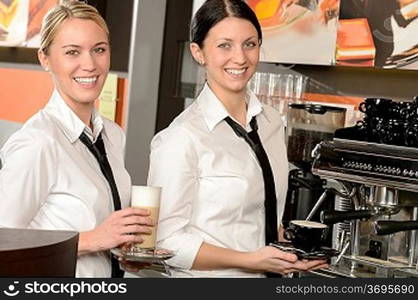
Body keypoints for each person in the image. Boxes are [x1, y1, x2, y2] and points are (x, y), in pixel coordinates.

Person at [147, 0, 328, 277]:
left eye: (250, 44)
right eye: (224, 45)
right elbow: (166, 242)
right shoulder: (180, 138)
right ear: (198, 52)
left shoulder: (271, 122)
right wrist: (250, 260)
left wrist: (291, 251)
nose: (240, 58)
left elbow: (258, 217)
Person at [0, 1, 153, 277]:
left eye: (99, 50)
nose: (90, 64)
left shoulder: (112, 134)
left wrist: (123, 251)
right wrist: (95, 239)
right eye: (72, 52)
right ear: (45, 59)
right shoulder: (38, 142)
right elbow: (4, 240)